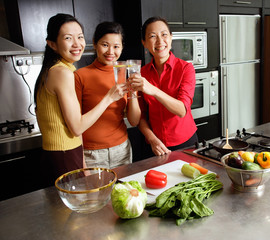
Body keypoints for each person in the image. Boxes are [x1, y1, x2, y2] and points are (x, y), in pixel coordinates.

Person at [34, 14, 123, 178]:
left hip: (62, 152)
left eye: (80, 37)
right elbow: (77, 127)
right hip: (64, 154)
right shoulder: (62, 73)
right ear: (52, 44)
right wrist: (109, 98)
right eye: (68, 38)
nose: (77, 44)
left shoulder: (55, 69)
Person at [74, 22, 141, 168]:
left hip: (121, 150)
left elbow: (134, 121)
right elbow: (75, 124)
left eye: (116, 46)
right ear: (94, 43)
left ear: (122, 47)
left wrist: (133, 93)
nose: (111, 51)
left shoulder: (126, 73)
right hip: (91, 154)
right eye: (105, 45)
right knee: (96, 192)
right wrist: (82, 163)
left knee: (124, 190)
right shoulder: (80, 76)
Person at [129, 16, 198, 156]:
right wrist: (152, 139)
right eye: (153, 36)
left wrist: (153, 90)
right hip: (154, 145)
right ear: (144, 43)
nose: (160, 41)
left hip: (186, 143)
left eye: (164, 34)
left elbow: (182, 110)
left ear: (171, 38)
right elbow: (141, 116)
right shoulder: (141, 73)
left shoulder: (186, 68)